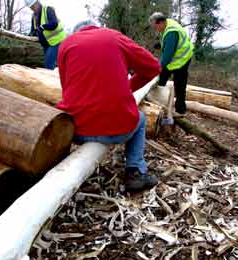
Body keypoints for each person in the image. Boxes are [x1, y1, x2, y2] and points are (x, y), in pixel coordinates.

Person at [57, 20, 161, 192]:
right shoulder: (113, 36)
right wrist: (129, 87)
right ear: (95, 28)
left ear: (76, 33)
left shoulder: (65, 45)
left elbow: (66, 86)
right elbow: (153, 66)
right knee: (141, 118)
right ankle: (135, 172)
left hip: (77, 130)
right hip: (119, 129)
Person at [149, 12, 194, 115]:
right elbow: (168, 43)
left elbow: (167, 58)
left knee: (179, 86)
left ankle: (180, 112)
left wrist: (156, 69)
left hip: (182, 60)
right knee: (160, 81)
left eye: (155, 27)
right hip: (177, 58)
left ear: (160, 23)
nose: (156, 30)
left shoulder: (171, 33)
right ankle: (157, 105)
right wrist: (160, 44)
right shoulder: (168, 23)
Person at [25, 0, 67, 69]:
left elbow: (54, 24)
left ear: (37, 2)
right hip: (46, 44)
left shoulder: (48, 9)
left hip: (57, 41)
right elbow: (33, 30)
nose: (32, 9)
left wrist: (43, 27)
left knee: (48, 64)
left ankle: (51, 79)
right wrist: (29, 36)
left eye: (33, 6)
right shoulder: (34, 16)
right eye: (31, 8)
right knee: (58, 63)